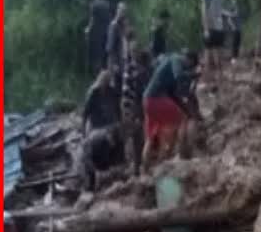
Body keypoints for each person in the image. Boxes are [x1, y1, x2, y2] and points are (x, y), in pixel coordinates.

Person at [142, 50, 200, 169]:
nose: (187, 68)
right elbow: (179, 76)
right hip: (156, 98)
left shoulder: (169, 66)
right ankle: (179, 155)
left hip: (147, 100)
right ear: (189, 60)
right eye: (189, 66)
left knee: (152, 135)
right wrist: (193, 74)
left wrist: (185, 108)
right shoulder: (176, 59)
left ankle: (146, 169)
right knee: (182, 120)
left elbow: (173, 95)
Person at [121, 43, 151, 176]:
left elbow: (126, 90)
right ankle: (138, 167)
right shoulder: (135, 71)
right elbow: (128, 91)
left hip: (137, 105)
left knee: (139, 136)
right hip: (136, 106)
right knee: (138, 136)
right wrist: (129, 110)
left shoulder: (133, 69)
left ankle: (139, 166)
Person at [201, 0, 225, 82]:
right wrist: (206, 28)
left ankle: (220, 77)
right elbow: (204, 9)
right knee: (208, 53)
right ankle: (208, 79)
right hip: (210, 26)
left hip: (219, 26)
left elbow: (219, 8)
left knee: (219, 52)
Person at [82, 69, 120, 135]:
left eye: (107, 81)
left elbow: (117, 108)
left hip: (109, 123)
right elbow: (86, 112)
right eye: (104, 81)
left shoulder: (112, 92)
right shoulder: (93, 93)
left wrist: (119, 121)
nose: (105, 83)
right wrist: (83, 129)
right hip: (96, 124)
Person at [85, 0, 112, 75]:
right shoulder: (107, 4)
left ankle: (95, 74)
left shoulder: (94, 4)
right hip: (106, 32)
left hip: (95, 33)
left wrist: (88, 29)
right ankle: (103, 74)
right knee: (103, 54)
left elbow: (92, 19)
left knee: (94, 55)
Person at [106, 2, 130, 94]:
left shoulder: (123, 26)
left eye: (125, 12)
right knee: (114, 87)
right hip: (115, 63)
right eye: (122, 11)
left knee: (122, 88)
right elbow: (110, 48)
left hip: (123, 61)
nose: (123, 14)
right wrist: (114, 63)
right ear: (118, 11)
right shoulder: (114, 26)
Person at [223, 0, 242, 64]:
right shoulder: (231, 14)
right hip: (235, 31)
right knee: (235, 46)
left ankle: (235, 60)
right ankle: (234, 60)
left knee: (236, 46)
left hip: (238, 31)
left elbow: (234, 14)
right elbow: (230, 17)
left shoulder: (234, 13)